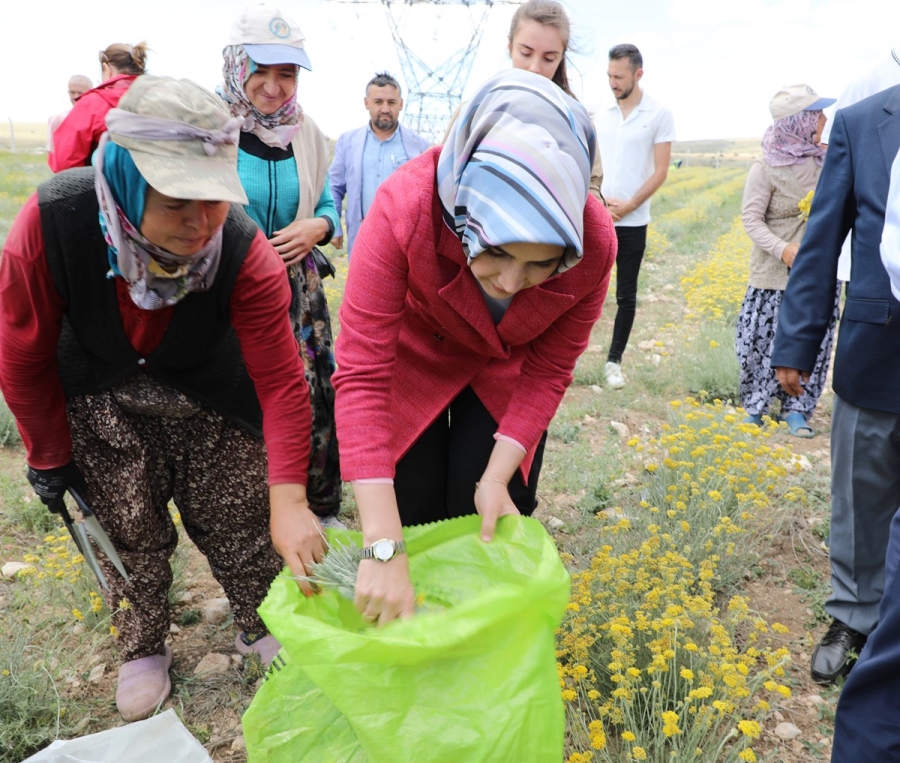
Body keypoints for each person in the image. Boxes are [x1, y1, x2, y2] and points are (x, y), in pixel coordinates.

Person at [0, 75, 327, 722]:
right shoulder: (53, 223)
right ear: (125, 180)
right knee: (128, 525)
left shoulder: (242, 250)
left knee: (239, 512)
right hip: (103, 393)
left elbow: (283, 382)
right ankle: (142, 644)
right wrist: (48, 454)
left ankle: (259, 618)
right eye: (176, 198)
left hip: (211, 394)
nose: (198, 221)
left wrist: (289, 499)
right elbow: (22, 349)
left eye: (212, 199)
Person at [332, 69, 617, 625]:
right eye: (496, 254)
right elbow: (363, 373)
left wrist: (493, 479)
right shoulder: (405, 207)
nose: (511, 283)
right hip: (416, 356)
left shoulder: (595, 242)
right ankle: (411, 634)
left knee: (481, 504)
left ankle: (474, 635)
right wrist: (382, 547)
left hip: (504, 369)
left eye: (541, 264)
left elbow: (550, 369)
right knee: (409, 506)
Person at [771, 83, 900, 687]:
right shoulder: (862, 120)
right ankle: (853, 615)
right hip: (879, 346)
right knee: (862, 489)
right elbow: (823, 241)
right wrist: (797, 342)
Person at [220, 4, 342, 520]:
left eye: (287, 73)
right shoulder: (213, 130)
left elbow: (327, 203)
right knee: (239, 397)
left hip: (298, 291)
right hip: (227, 287)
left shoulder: (306, 132)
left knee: (311, 395)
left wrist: (320, 226)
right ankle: (250, 517)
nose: (274, 86)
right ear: (236, 65)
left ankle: (318, 507)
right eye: (261, 71)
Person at [736, 84, 836, 437]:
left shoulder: (830, 160)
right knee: (763, 342)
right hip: (773, 274)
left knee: (816, 340)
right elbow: (751, 220)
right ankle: (756, 406)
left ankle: (798, 409)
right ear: (800, 121)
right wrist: (783, 249)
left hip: (818, 274)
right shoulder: (765, 167)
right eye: (817, 113)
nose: (824, 118)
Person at [595, 43, 675, 390]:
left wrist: (628, 206)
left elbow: (660, 171)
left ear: (638, 74)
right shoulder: (599, 113)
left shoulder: (659, 114)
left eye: (619, 76)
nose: (612, 82)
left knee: (626, 295)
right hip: (595, 218)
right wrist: (596, 201)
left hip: (632, 222)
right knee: (577, 291)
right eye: (610, 75)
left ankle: (614, 362)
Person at [505, 0, 604, 202]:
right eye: (525, 53)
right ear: (510, 47)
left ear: (561, 59)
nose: (534, 67)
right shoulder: (476, 110)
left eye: (549, 58)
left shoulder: (576, 123)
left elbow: (592, 189)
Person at [328, 72, 430, 256]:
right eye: (378, 102)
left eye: (391, 102)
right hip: (361, 239)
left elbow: (429, 197)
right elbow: (334, 188)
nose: (385, 109)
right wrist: (334, 227)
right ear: (366, 103)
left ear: (401, 104)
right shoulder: (348, 142)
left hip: (406, 244)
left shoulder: (420, 146)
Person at [49, 43, 148, 172]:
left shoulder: (93, 103)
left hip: (107, 186)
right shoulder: (162, 99)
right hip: (163, 184)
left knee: (48, 189)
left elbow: (64, 162)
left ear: (106, 69)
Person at [47, 75, 93, 153]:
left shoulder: (97, 118)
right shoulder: (57, 120)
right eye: (72, 92)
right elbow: (52, 152)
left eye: (80, 93)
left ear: (90, 93)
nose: (76, 96)